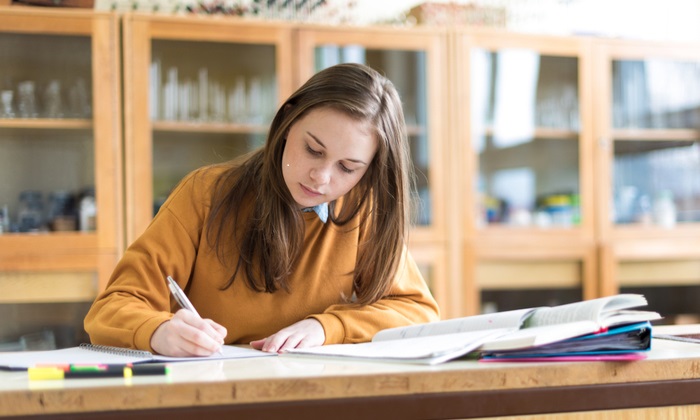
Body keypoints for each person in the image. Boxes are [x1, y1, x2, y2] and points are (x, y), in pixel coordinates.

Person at [84, 63, 440, 357]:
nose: (321, 177)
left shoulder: (362, 210)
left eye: (348, 168)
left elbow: (417, 312)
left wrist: (327, 327)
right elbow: (111, 307)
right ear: (287, 123)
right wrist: (158, 331)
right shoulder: (205, 193)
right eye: (313, 150)